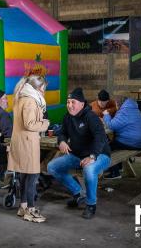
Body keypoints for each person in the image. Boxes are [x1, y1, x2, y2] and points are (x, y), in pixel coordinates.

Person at [47, 87, 111, 219]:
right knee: (52, 167)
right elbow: (62, 133)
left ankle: (91, 204)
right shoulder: (68, 117)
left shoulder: (91, 117)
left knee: (89, 169)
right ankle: (78, 193)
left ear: (82, 104)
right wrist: (62, 141)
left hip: (100, 154)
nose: (70, 105)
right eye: (68, 102)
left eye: (73, 102)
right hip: (78, 155)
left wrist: (92, 156)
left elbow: (101, 137)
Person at [8, 75, 49, 223]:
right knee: (32, 177)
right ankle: (30, 210)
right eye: (44, 88)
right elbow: (30, 124)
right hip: (27, 144)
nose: (44, 91)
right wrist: (45, 123)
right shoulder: (31, 101)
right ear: (38, 87)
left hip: (21, 142)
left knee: (24, 176)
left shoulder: (21, 98)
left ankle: (23, 207)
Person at [102, 96, 141, 179]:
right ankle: (119, 167)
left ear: (118, 104)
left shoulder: (124, 112)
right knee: (115, 143)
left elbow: (111, 126)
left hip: (135, 142)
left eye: (116, 105)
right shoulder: (133, 109)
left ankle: (115, 172)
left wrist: (106, 115)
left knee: (107, 147)